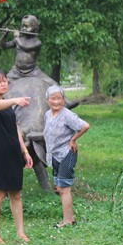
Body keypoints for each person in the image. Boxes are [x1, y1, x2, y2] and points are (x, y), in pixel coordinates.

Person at [0, 69, 33, 243]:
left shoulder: (7, 106)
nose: (3, 84)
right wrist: (15, 100)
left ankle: (20, 232)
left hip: (13, 153)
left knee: (16, 194)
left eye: (5, 81)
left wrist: (25, 152)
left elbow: (15, 130)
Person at [43, 85, 89, 228]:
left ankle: (68, 221)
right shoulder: (47, 114)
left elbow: (85, 126)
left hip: (66, 154)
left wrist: (73, 140)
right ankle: (69, 218)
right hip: (54, 155)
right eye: (53, 98)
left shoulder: (67, 114)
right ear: (47, 100)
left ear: (63, 100)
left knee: (64, 187)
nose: (56, 102)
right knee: (59, 187)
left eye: (59, 98)